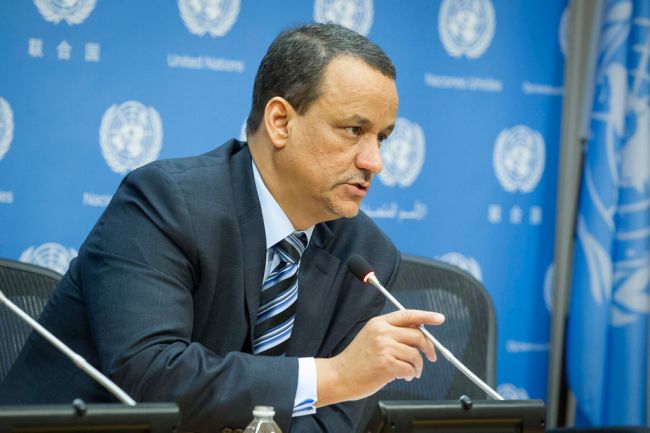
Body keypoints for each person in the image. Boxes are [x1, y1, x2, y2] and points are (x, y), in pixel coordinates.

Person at [0, 23, 444, 432]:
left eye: (381, 137)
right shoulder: (165, 202)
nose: (374, 162)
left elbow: (332, 424)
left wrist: (340, 382)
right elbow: (152, 376)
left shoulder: (366, 254)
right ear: (281, 122)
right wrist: (334, 375)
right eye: (353, 130)